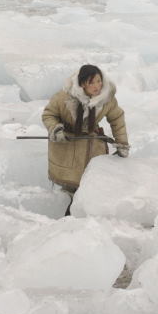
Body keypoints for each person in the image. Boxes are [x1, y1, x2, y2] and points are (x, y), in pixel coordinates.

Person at [42, 65, 129, 214]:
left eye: (99, 81)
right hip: (67, 145)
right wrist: (55, 129)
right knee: (70, 186)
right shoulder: (64, 97)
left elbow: (117, 118)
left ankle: (87, 215)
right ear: (82, 84)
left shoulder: (107, 98)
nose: (97, 86)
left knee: (89, 182)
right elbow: (49, 114)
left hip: (92, 145)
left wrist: (122, 143)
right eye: (92, 82)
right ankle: (66, 216)